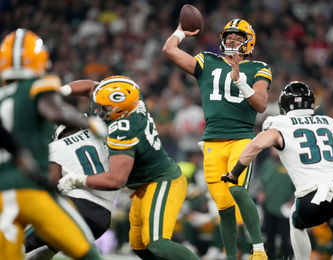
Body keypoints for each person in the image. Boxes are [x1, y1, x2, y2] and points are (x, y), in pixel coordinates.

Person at [221, 81, 333, 260]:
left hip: (308, 196)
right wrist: (326, 167)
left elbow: (256, 145)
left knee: (296, 223)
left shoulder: (280, 124)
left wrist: (234, 173)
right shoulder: (326, 123)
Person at [56, 75, 200, 260]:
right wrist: (61, 91)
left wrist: (77, 180)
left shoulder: (122, 130)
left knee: (157, 242)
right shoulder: (131, 100)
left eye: (104, 108)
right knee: (139, 246)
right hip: (143, 185)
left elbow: (117, 179)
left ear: (118, 110)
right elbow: (91, 87)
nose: (97, 110)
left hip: (162, 181)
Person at [163, 18, 272, 260]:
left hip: (241, 138)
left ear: (249, 41)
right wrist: (180, 32)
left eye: (238, 37)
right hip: (212, 141)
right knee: (223, 206)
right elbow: (169, 50)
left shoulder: (258, 68)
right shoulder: (207, 61)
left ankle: (258, 251)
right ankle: (230, 256)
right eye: (229, 37)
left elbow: (262, 105)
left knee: (238, 191)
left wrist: (240, 81)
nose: (232, 40)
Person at [0, 29, 107, 260]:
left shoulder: (2, 96)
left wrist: (18, 154)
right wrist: (89, 124)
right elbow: (53, 110)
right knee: (88, 253)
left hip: (3, 194)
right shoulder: (37, 85)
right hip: (32, 194)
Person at [24, 124, 117, 260]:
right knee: (45, 252)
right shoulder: (96, 137)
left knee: (18, 238)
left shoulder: (56, 147)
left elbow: (51, 184)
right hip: (102, 219)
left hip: (77, 207)